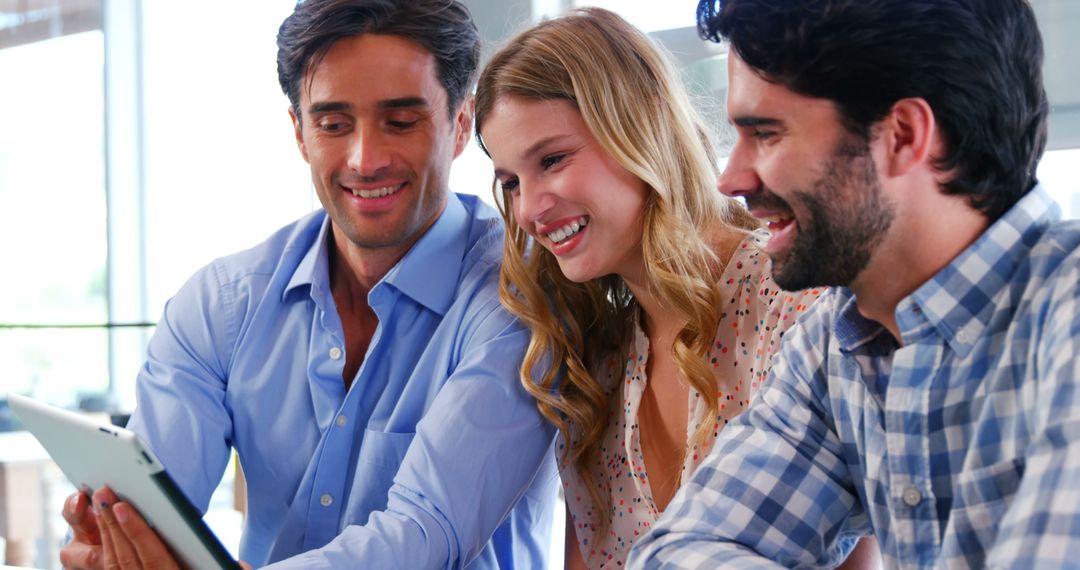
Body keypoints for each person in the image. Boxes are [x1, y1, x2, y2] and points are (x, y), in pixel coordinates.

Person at [59, 1, 559, 568]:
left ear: (461, 124)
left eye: (400, 122)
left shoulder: (523, 298)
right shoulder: (220, 306)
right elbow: (154, 516)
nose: (365, 160)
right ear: (299, 132)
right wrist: (116, 543)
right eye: (333, 124)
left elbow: (426, 536)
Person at [630, 0, 1080, 567]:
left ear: (903, 135)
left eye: (766, 133)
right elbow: (675, 553)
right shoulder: (834, 343)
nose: (731, 178)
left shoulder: (1067, 316)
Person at [473, 8, 878, 569]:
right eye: (511, 182)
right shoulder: (602, 365)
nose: (531, 209)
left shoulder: (794, 302)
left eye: (554, 160)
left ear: (640, 126)